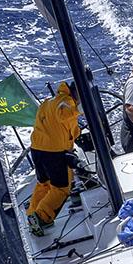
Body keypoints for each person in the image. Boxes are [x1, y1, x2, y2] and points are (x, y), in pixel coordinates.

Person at [26, 81, 81, 236]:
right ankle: (41, 217)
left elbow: (63, 126)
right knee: (61, 188)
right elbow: (65, 115)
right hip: (53, 152)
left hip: (37, 149)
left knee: (44, 184)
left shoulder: (49, 102)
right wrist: (79, 110)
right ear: (77, 92)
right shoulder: (67, 103)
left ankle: (31, 214)